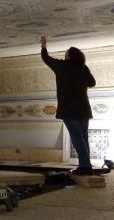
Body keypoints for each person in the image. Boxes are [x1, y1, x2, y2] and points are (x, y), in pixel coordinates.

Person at [40, 35, 96, 175]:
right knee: (83, 137)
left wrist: (43, 46)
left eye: (66, 53)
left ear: (70, 56)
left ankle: (85, 166)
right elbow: (92, 83)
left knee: (77, 137)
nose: (64, 54)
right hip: (83, 108)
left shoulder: (62, 66)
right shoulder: (83, 67)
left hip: (68, 109)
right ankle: (86, 165)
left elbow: (47, 59)